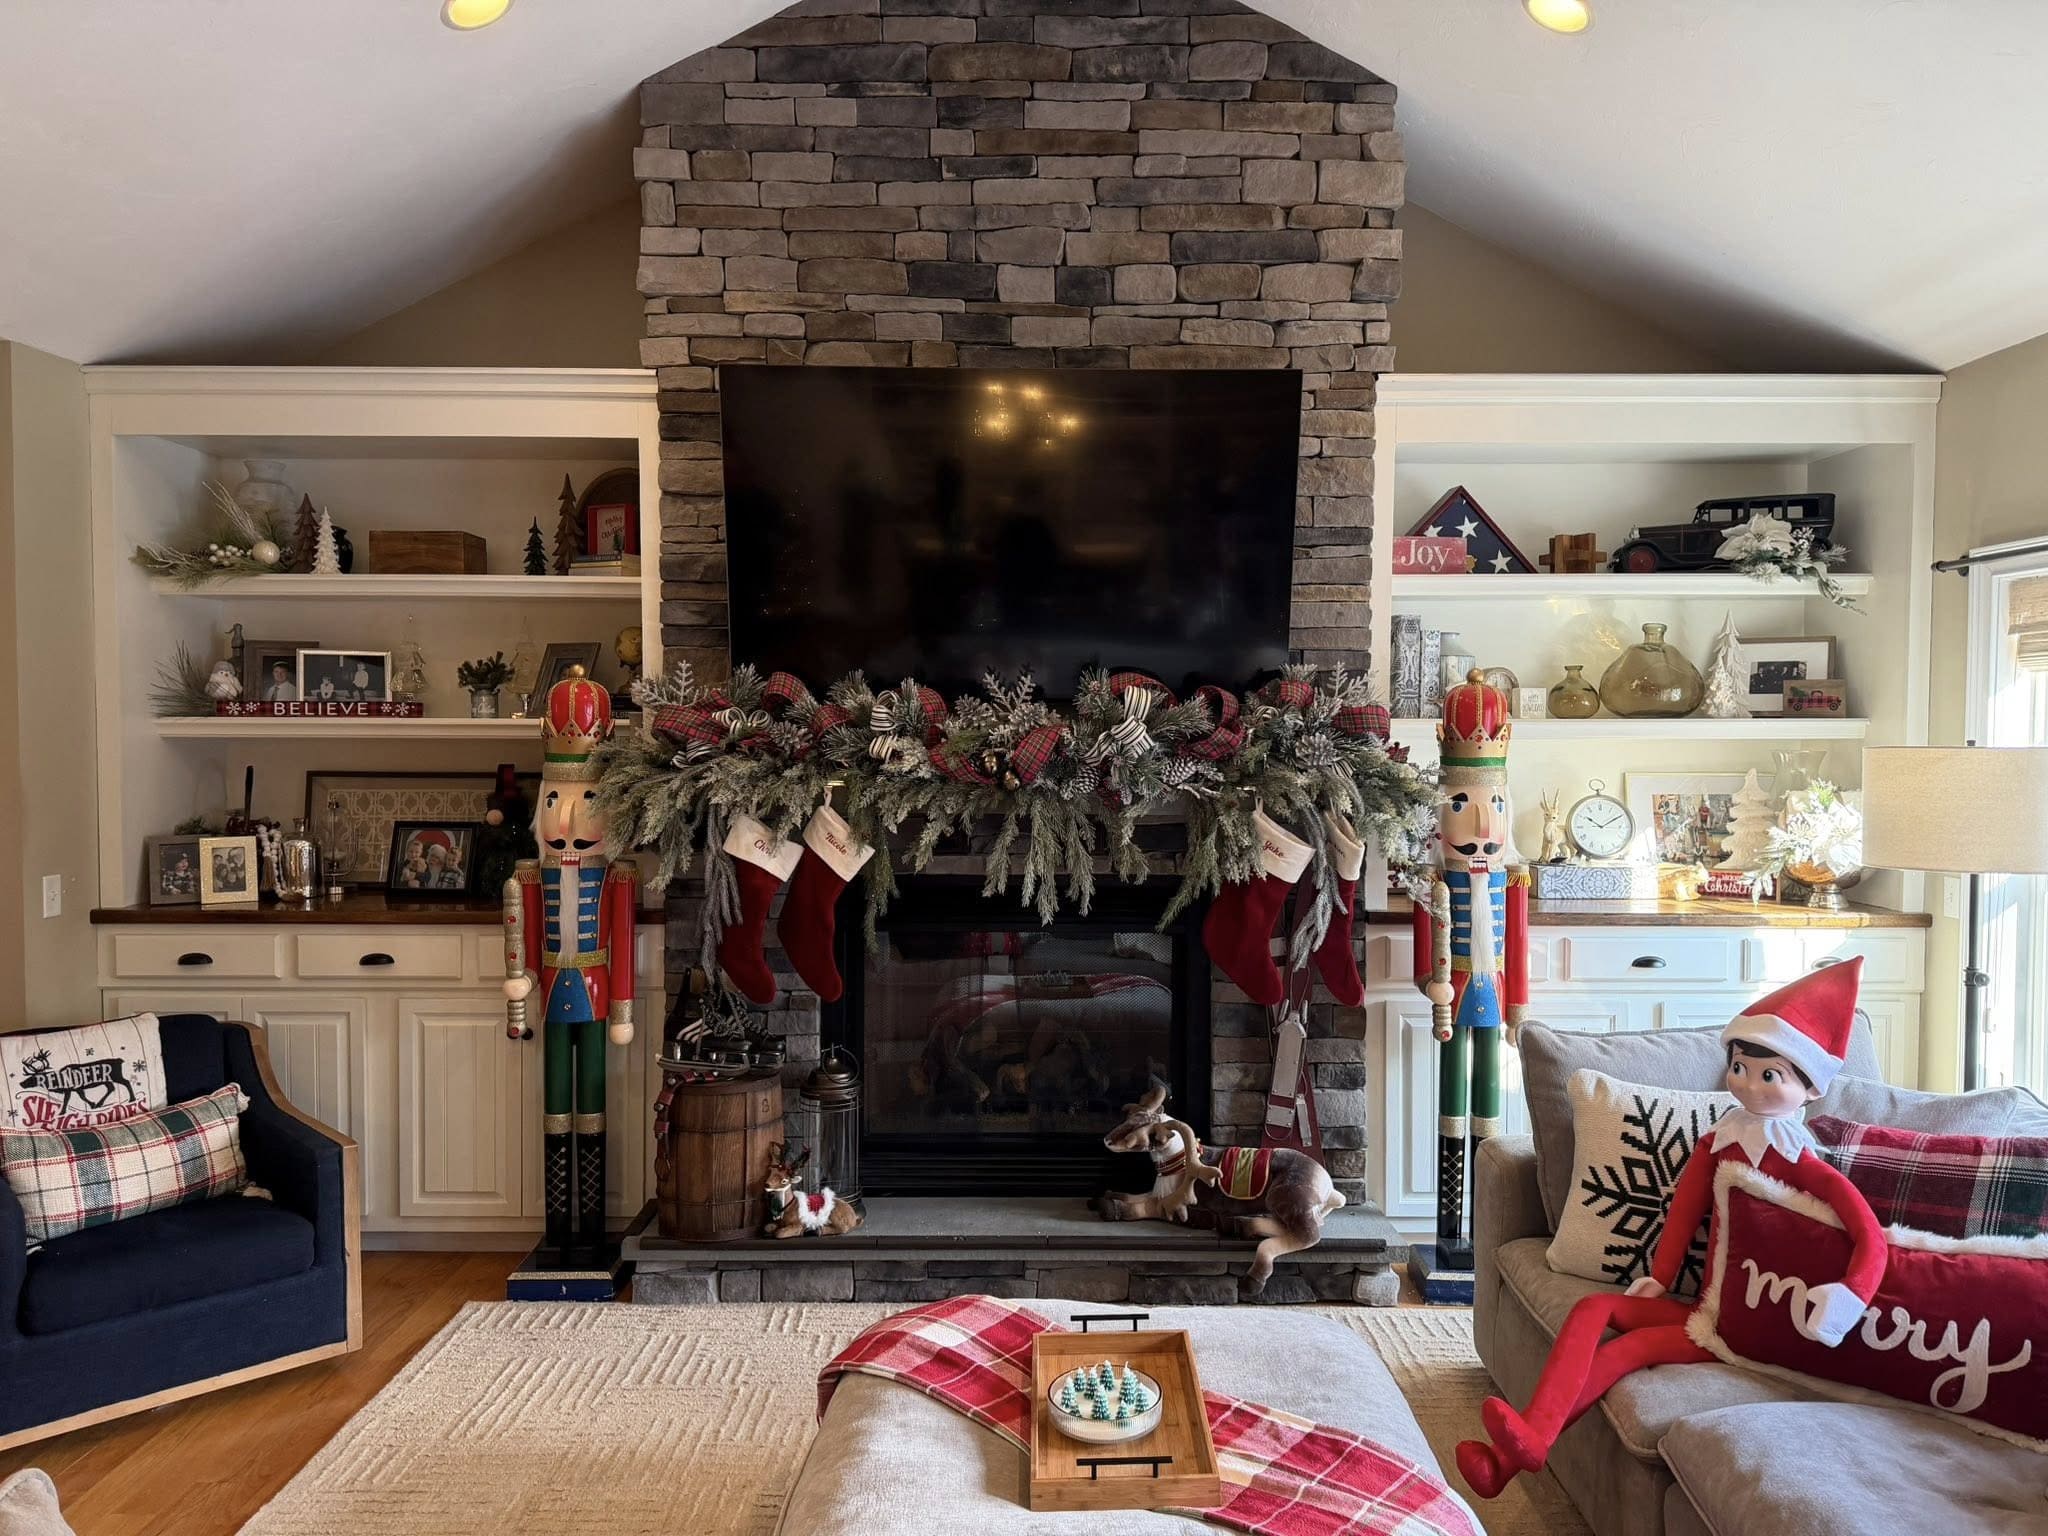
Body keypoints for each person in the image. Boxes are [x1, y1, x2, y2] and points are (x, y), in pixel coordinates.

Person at [1455, 959, 1887, 1498]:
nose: (1748, 1083)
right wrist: (1660, 1276)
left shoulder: (1803, 1164)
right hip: (1707, 1311)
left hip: (1754, 1330)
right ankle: (1523, 1447)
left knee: (1621, 1352)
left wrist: (1849, 1298)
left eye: (1769, 1074)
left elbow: (1870, 1236)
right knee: (1597, 1312)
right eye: (1740, 1067)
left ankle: (1522, 1447)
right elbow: (1685, 1208)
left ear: (1809, 1086)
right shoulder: (1721, 1140)